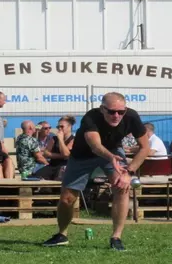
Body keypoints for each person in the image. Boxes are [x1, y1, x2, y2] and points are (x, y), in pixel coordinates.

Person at [43, 92, 149, 251]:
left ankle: (116, 237)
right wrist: (110, 157)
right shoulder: (91, 117)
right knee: (67, 199)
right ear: (102, 109)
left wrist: (129, 173)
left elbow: (145, 148)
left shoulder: (132, 116)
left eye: (121, 112)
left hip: (113, 152)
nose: (116, 115)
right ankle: (62, 235)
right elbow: (96, 146)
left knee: (122, 188)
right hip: (83, 155)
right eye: (112, 111)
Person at [35, 115, 76, 180]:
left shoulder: (73, 140)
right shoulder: (54, 139)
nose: (59, 128)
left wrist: (60, 140)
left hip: (65, 166)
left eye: (62, 126)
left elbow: (65, 154)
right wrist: (61, 156)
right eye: (58, 127)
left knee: (59, 176)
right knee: (36, 176)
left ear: (69, 127)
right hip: (52, 165)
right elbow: (46, 153)